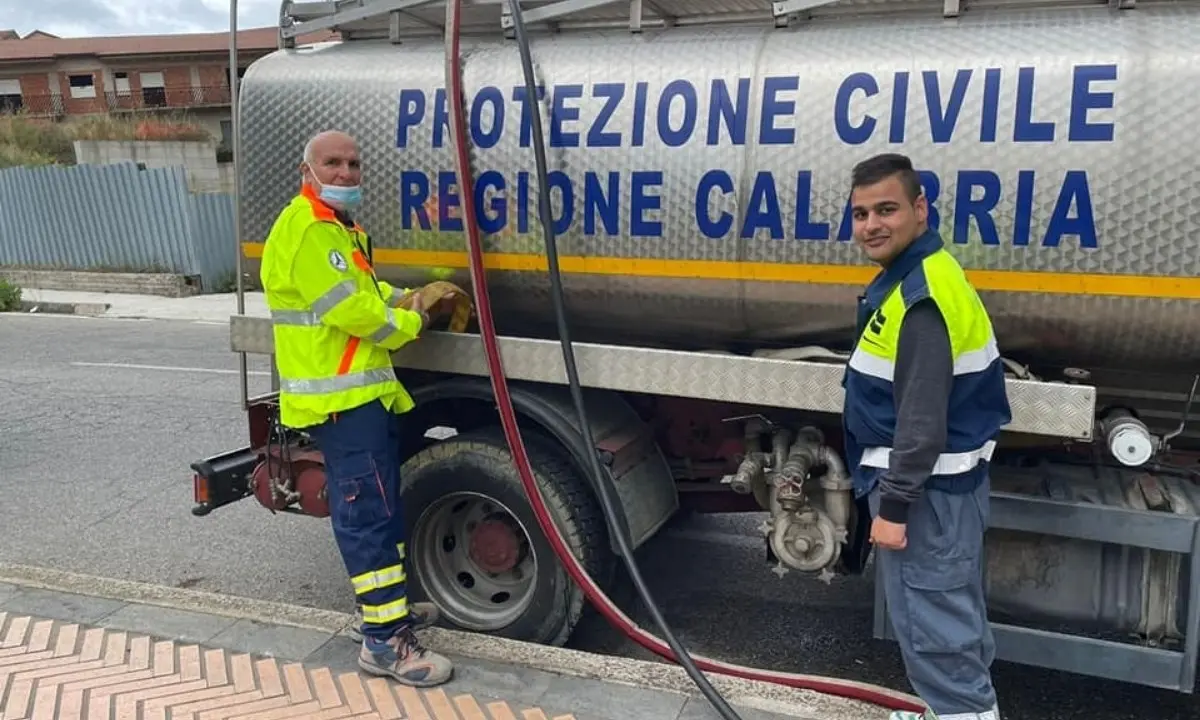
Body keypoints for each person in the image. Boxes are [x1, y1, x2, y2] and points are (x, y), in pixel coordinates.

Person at [259, 129, 454, 688]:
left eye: (353, 164)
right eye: (333, 163)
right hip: (342, 404)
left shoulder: (337, 229)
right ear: (307, 168)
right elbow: (353, 312)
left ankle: (385, 612)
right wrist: (415, 320)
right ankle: (385, 646)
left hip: (360, 399)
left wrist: (403, 296)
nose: (346, 173)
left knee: (383, 511)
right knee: (366, 516)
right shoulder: (311, 230)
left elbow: (363, 292)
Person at [840, 153, 1011, 720]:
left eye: (886, 209)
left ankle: (963, 713)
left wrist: (893, 508)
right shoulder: (921, 274)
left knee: (935, 628)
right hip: (939, 496)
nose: (871, 225)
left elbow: (920, 420)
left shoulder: (921, 298)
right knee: (947, 616)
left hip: (927, 499)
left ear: (919, 209)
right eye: (861, 214)